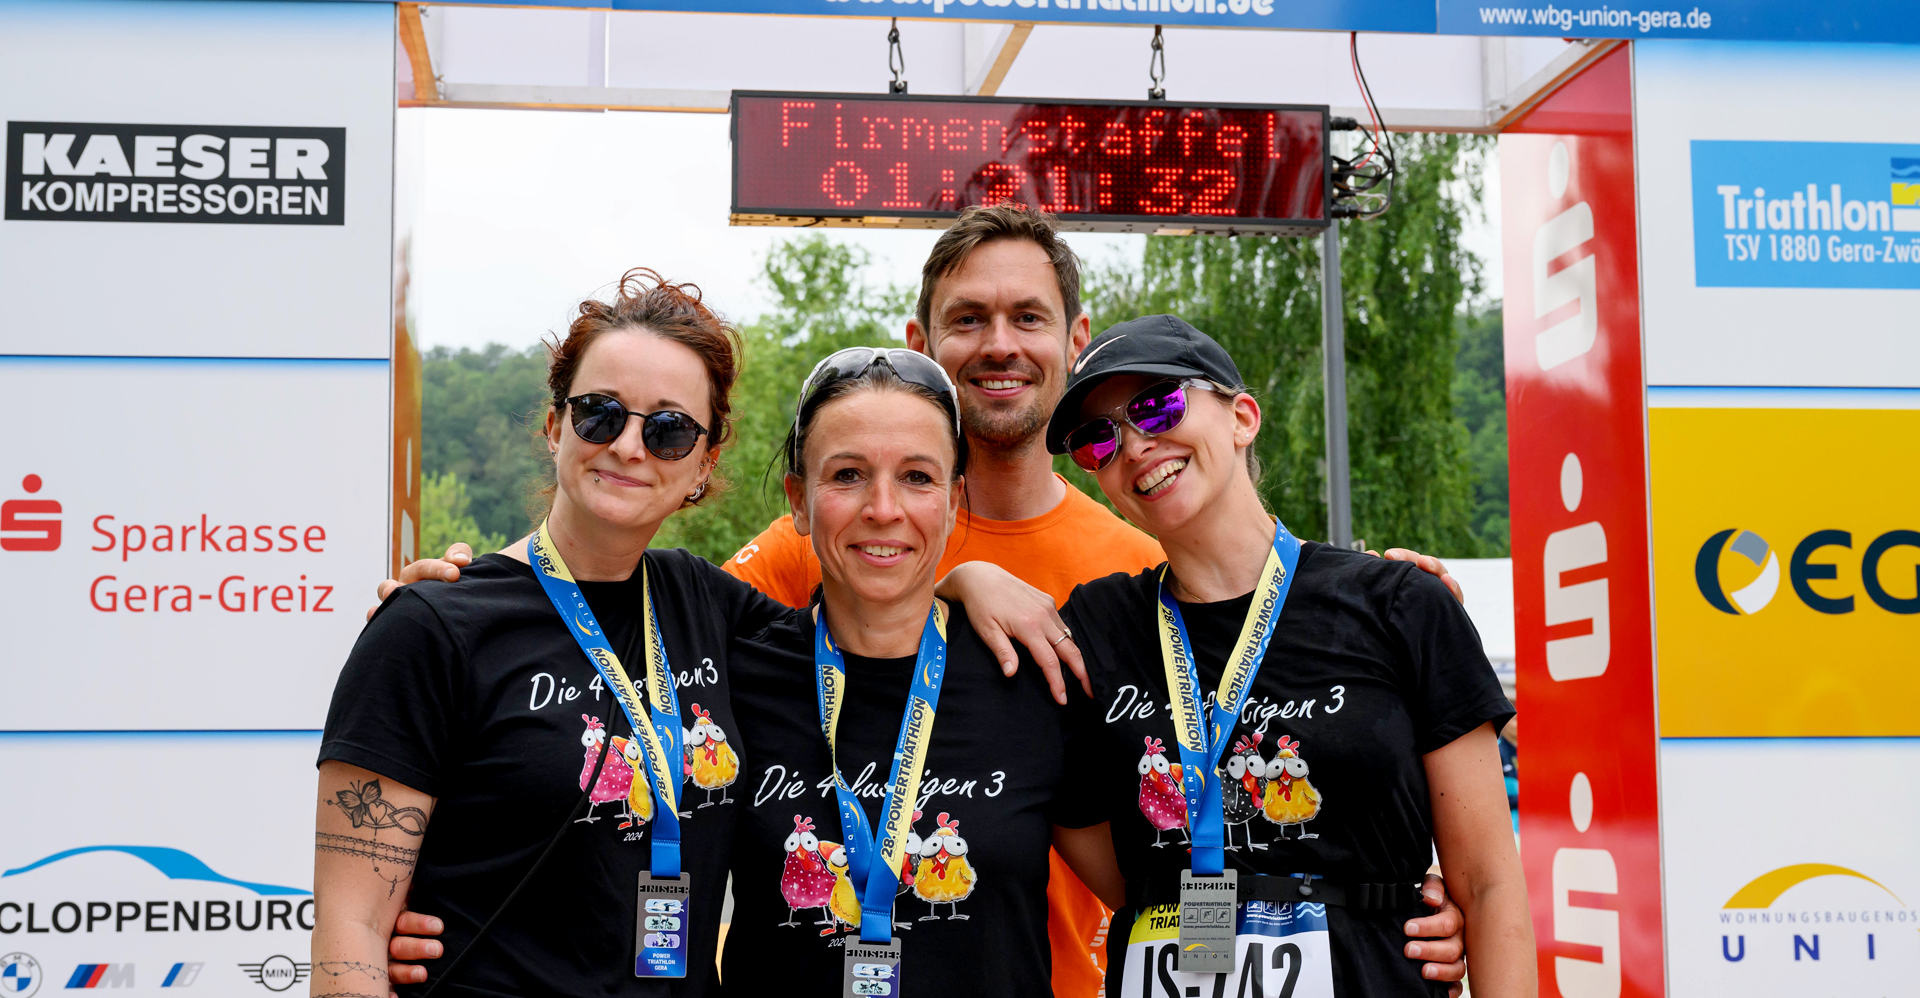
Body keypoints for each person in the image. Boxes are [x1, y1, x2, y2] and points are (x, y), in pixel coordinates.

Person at [382, 205, 1473, 996]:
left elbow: (1214, 764)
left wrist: (1377, 908)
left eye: (1028, 316)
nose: (999, 343)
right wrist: (461, 593)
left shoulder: (1129, 579)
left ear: (1071, 340)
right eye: (968, 318)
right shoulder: (763, 607)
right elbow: (609, 624)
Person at [314, 273, 1058, 998]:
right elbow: (350, 934)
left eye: (668, 429)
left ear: (704, 461)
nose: (629, 446)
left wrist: (967, 578)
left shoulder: (708, 608)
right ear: (554, 426)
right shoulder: (434, 627)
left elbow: (868, 608)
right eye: (600, 414)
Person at [1044, 316, 1536, 997]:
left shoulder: (1398, 605)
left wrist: (1365, 912)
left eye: (1158, 405)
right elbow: (1120, 868)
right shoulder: (1093, 629)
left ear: (1242, 417)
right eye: (1098, 438)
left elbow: (1486, 884)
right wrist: (963, 582)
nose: (1133, 444)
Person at [717, 347, 1114, 996]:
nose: (883, 507)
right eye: (847, 474)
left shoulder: (1031, 679)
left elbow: (1143, 887)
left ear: (954, 501)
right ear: (799, 502)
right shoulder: (735, 680)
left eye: (917, 477)